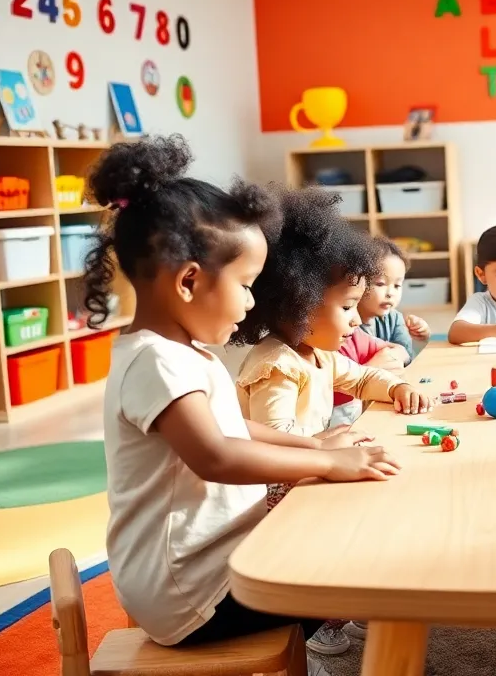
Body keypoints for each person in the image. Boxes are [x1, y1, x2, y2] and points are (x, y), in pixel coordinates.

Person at [88, 137, 398, 676]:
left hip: (208, 566)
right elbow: (217, 456)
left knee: (341, 534)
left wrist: (311, 443)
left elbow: (237, 428)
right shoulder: (154, 363)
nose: (255, 301)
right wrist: (326, 462)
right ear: (189, 281)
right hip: (191, 595)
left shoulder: (183, 353)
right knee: (360, 566)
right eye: (247, 284)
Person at [231, 187, 430, 657]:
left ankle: (350, 597)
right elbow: (274, 439)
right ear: (297, 304)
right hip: (277, 487)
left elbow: (360, 377)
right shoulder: (275, 364)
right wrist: (321, 443)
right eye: (346, 307)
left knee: (372, 495)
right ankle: (318, 616)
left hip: (307, 469)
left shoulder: (319, 352)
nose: (357, 320)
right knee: (336, 532)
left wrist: (397, 387)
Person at [358, 237, 430, 363]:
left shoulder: (394, 319)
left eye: (397, 286)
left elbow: (407, 358)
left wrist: (420, 339)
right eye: (380, 284)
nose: (390, 293)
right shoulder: (348, 324)